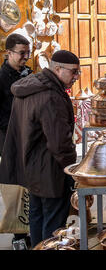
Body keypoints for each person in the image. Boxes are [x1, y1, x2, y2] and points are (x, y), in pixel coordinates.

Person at [0, 50, 80, 248]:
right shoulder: (50, 95)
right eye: (74, 72)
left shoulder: (30, 86)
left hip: (31, 167)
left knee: (37, 217)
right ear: (58, 69)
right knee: (53, 225)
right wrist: (73, 169)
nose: (77, 77)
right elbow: (59, 143)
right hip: (50, 170)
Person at [0, 33, 33, 249]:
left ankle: (29, 229)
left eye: (28, 53)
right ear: (8, 53)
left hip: (28, 137)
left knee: (29, 186)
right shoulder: (1, 78)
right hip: (9, 139)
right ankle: (17, 235)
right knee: (15, 185)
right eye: (22, 54)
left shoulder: (28, 73)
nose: (26, 58)